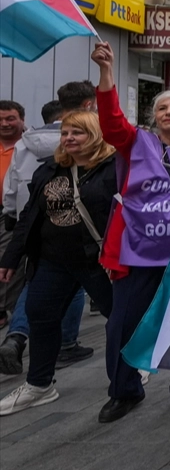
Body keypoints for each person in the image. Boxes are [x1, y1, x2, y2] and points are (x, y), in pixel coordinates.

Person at [91, 41, 170, 422]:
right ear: (153, 116)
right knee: (122, 324)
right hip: (138, 252)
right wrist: (107, 72)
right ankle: (124, 389)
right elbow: (111, 121)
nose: (168, 112)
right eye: (162, 107)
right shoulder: (137, 143)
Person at [0, 112, 117, 416]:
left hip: (96, 259)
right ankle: (39, 385)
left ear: (94, 134)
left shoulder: (113, 168)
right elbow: (29, 216)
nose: (68, 138)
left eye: (77, 132)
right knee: (40, 314)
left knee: (118, 316)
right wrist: (12, 256)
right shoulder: (49, 169)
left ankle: (128, 375)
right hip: (52, 259)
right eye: (65, 133)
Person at [1, 82, 99, 371]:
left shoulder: (25, 143)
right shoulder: (88, 140)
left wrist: (10, 214)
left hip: (29, 223)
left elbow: (12, 184)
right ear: (88, 105)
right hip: (76, 229)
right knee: (73, 285)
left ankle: (17, 337)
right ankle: (66, 344)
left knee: (38, 281)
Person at [0, 100, 26, 328]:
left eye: (10, 118)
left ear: (22, 120)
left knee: (7, 262)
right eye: (0, 120)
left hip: (12, 214)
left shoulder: (28, 146)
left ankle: (5, 309)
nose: (4, 124)